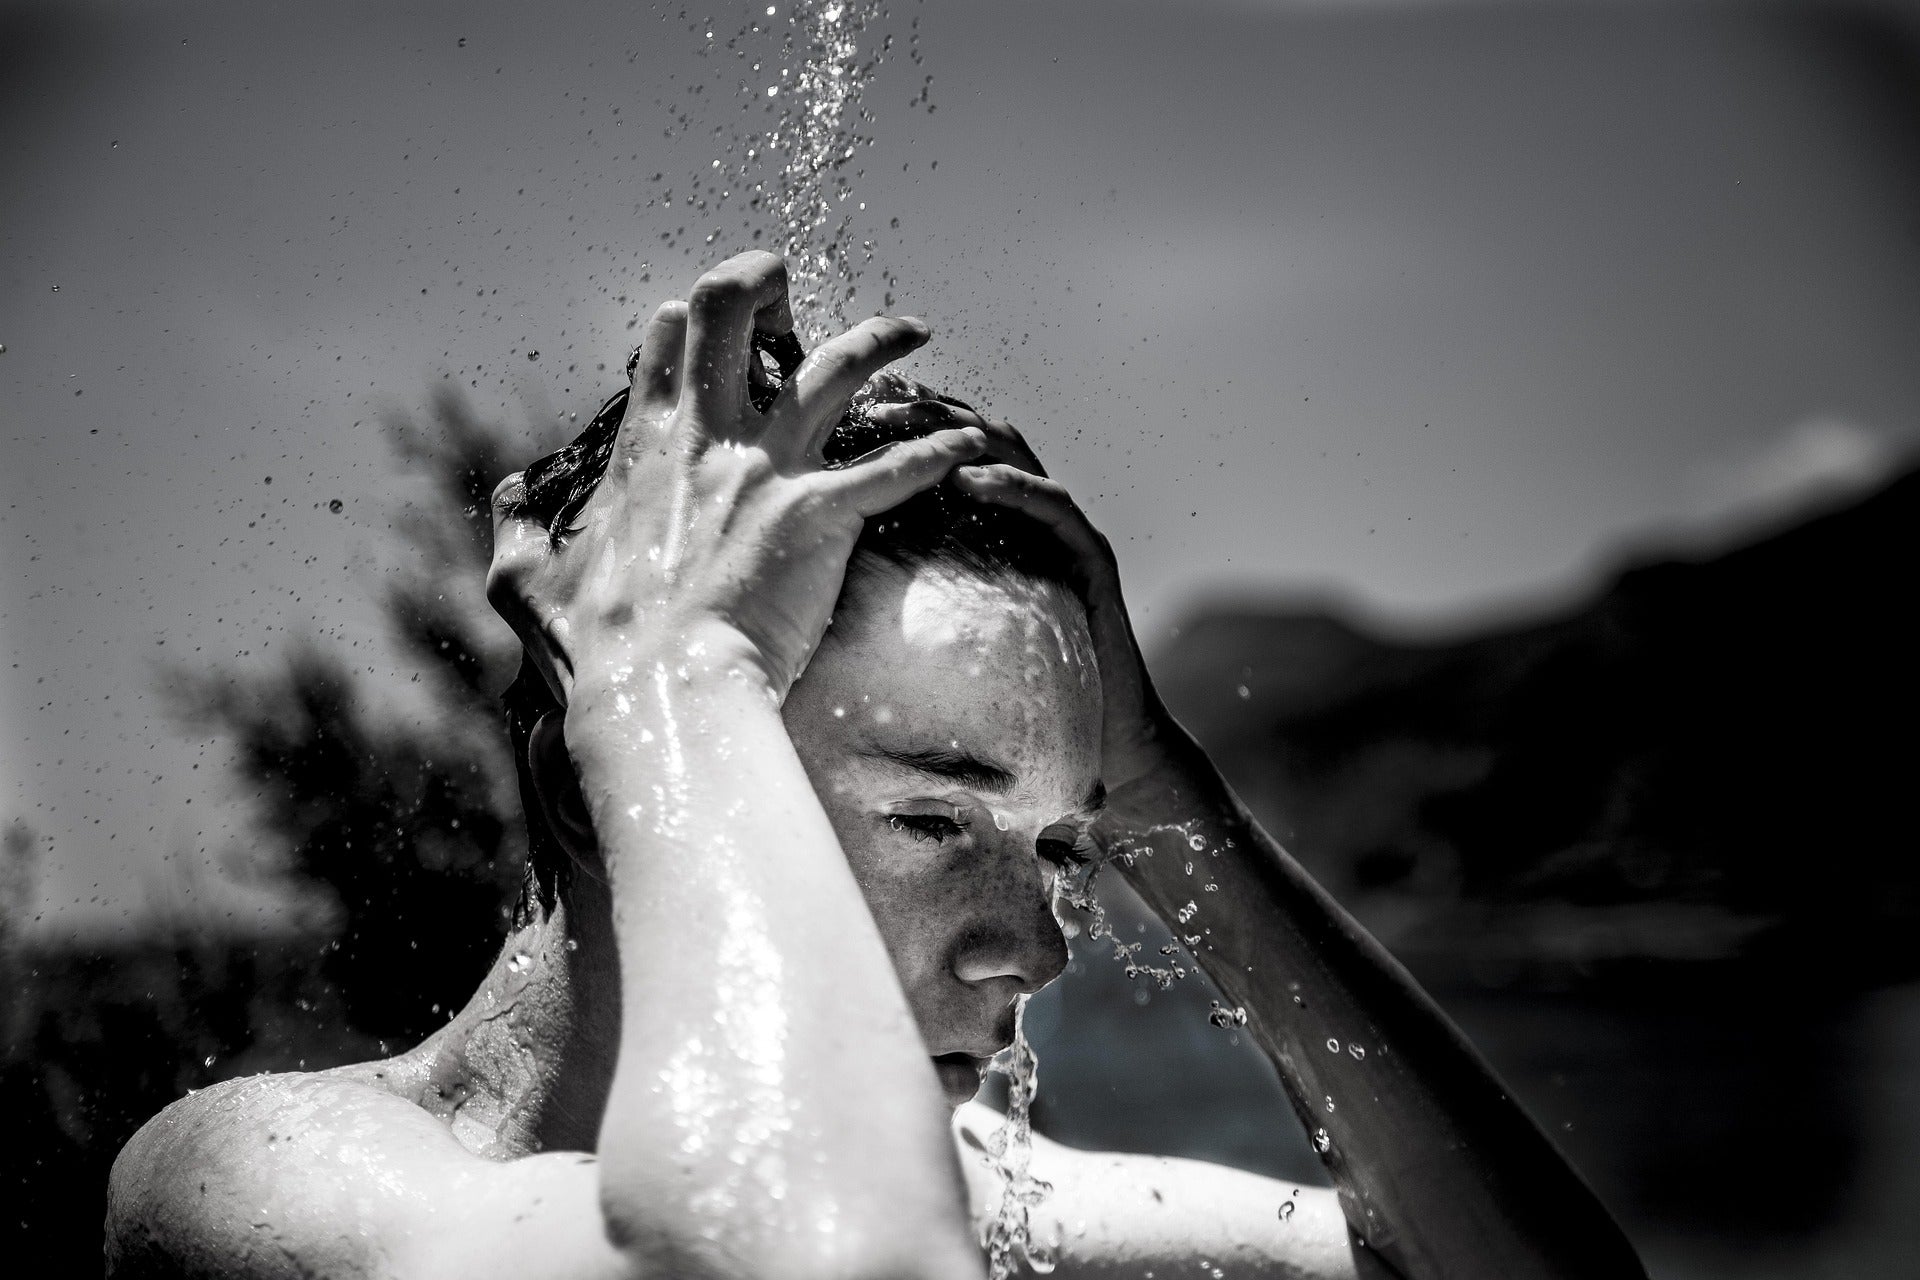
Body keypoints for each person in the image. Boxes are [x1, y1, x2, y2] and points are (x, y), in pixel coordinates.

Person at [106, 252, 1646, 1280]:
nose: (1039, 950)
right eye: (931, 817)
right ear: (601, 784)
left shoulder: (973, 1181)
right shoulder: (262, 1182)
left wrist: (1170, 791)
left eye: (1058, 849)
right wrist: (674, 678)